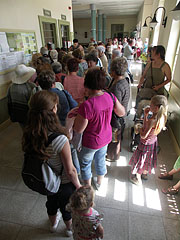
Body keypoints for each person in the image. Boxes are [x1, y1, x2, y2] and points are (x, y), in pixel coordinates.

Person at [22, 90, 81, 236]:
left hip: (46, 179)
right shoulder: (60, 139)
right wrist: (79, 186)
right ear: (53, 110)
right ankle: (68, 229)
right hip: (64, 181)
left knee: (51, 202)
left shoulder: (29, 132)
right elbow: (71, 170)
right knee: (66, 206)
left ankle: (53, 224)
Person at [73, 67, 125, 189]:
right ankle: (100, 183)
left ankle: (87, 187)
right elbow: (121, 112)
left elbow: (79, 129)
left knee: (85, 164)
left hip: (91, 142)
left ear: (87, 84)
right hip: (106, 137)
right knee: (100, 159)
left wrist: (76, 116)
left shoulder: (87, 105)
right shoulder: (110, 96)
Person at [129, 95, 168, 185]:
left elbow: (143, 135)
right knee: (148, 159)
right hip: (153, 142)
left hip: (145, 143)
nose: (149, 106)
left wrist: (139, 127)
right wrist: (147, 116)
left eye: (151, 105)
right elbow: (149, 124)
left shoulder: (152, 121)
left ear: (157, 108)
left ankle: (138, 178)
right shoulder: (161, 117)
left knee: (141, 160)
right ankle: (145, 174)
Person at [106, 57, 130, 161]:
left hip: (116, 118)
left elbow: (116, 105)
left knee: (114, 138)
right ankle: (115, 154)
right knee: (117, 137)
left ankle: (112, 156)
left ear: (114, 70)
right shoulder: (123, 80)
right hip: (122, 115)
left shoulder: (117, 86)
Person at [7, 64, 36, 129]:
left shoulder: (11, 87)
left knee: (23, 128)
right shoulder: (31, 86)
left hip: (17, 113)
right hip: (28, 114)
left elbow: (9, 101)